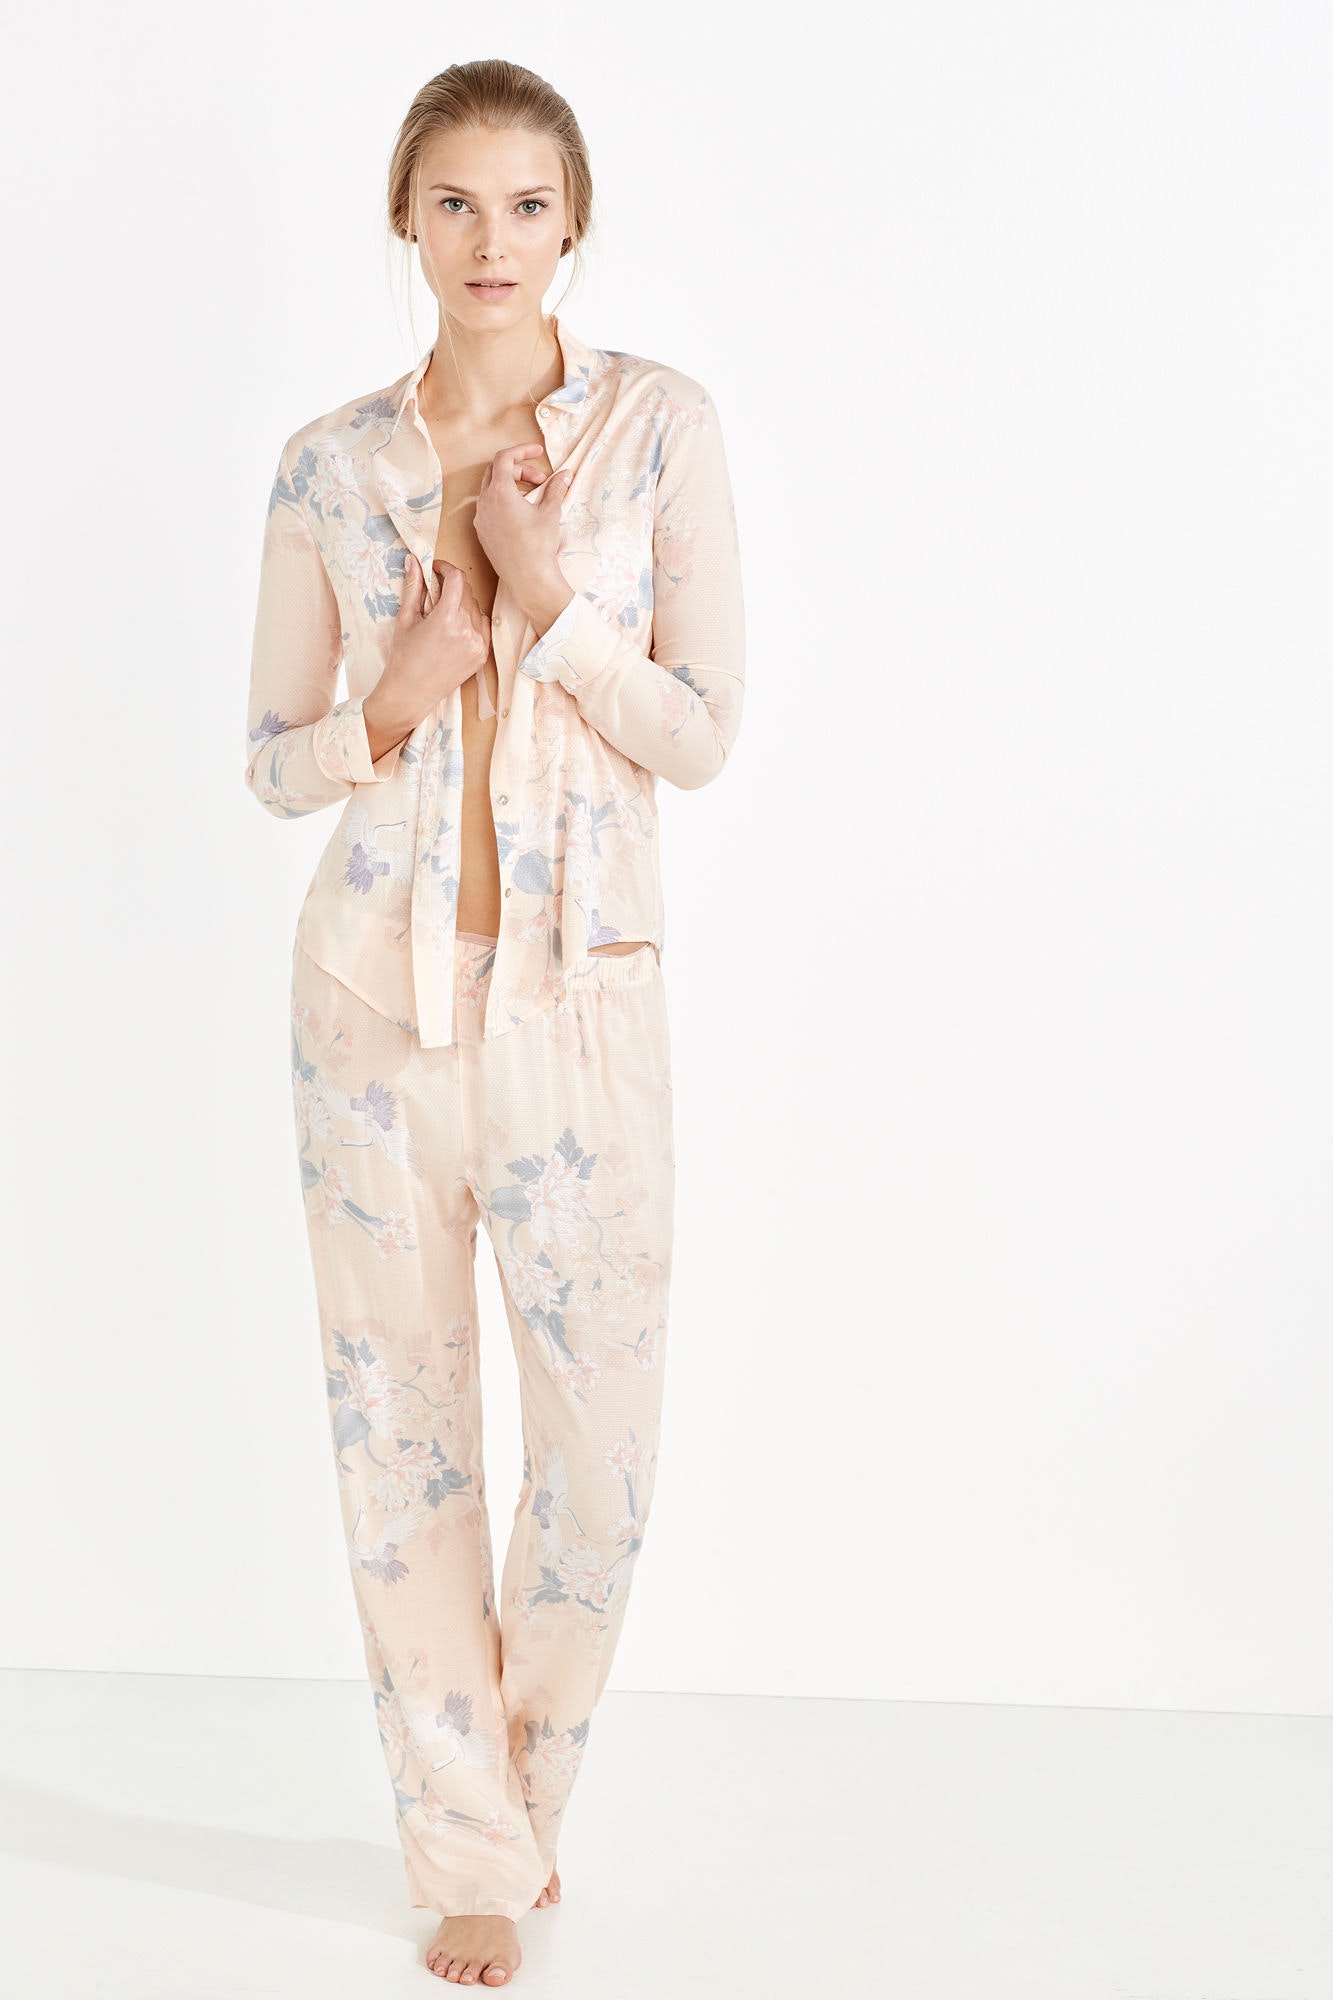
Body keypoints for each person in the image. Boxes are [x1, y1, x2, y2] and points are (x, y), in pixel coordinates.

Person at [244, 58, 745, 1989]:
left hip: (581, 1011)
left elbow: (698, 734)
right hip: (369, 1015)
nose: (490, 240)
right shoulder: (327, 465)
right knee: (403, 1447)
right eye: (453, 201)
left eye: (526, 204)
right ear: (406, 217)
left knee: (601, 1457)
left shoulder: (657, 432)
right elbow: (272, 760)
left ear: (572, 224)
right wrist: (402, 684)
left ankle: (524, 1801)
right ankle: (467, 1847)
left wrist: (544, 597)